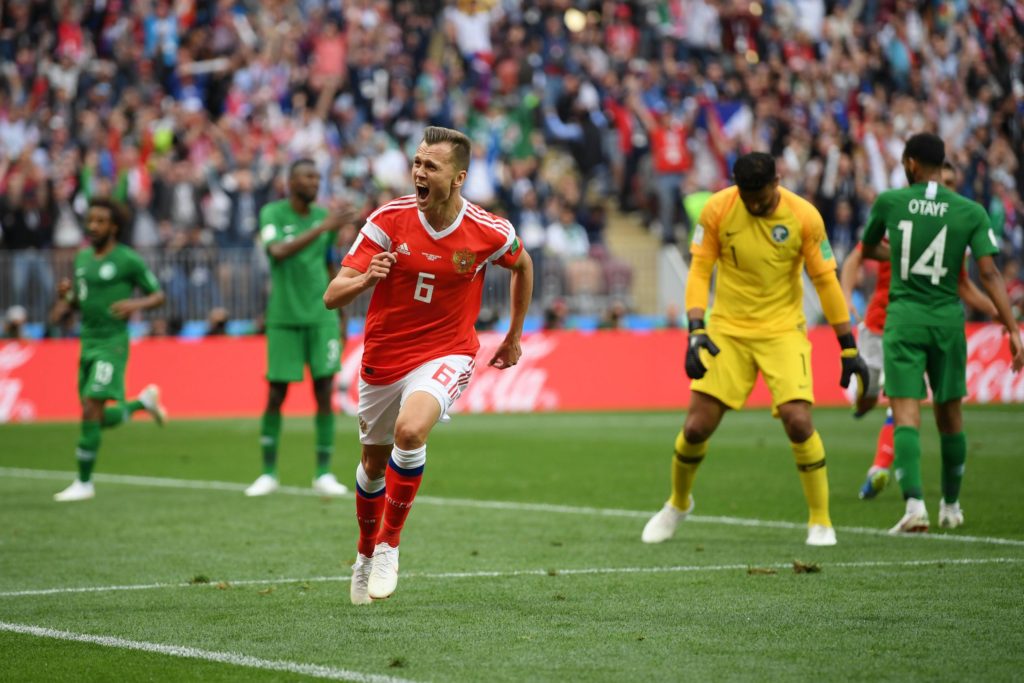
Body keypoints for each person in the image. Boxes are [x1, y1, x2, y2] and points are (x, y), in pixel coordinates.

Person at [323, 126, 534, 604]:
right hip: (384, 354)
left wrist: (514, 335)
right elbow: (332, 294)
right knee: (373, 466)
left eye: (430, 166)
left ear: (457, 178)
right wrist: (363, 281)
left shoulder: (489, 230)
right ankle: (363, 554)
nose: (418, 172)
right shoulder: (388, 220)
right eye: (416, 163)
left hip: (447, 350)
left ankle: (389, 545)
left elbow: (523, 265)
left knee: (411, 432)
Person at [641, 152, 870, 547]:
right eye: (749, 200)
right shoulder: (718, 209)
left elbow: (827, 282)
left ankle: (820, 520)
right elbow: (699, 270)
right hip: (728, 330)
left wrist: (848, 345)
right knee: (696, 427)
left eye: (762, 199)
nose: (756, 206)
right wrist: (696, 328)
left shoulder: (804, 216)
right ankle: (678, 504)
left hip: (783, 330)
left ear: (777, 182)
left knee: (798, 421)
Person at [860, 133, 1024, 533]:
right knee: (951, 415)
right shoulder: (970, 211)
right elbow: (988, 274)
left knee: (906, 415)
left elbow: (868, 249)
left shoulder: (890, 203)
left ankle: (915, 507)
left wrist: (901, 254)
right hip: (948, 323)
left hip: (904, 319)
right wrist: (1012, 327)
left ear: (911, 163)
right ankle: (951, 505)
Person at [841, 159, 998, 500]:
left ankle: (880, 468)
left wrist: (998, 310)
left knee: (902, 401)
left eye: (954, 184)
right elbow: (857, 255)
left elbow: (964, 286)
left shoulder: (955, 231)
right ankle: (866, 405)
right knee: (868, 399)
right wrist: (843, 298)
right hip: (877, 323)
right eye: (946, 182)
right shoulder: (900, 217)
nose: (949, 189)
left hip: (910, 327)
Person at [244, 159, 357, 497]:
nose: (314, 183)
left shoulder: (325, 218)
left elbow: (327, 264)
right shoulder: (272, 214)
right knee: (276, 394)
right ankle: (268, 472)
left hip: (321, 317)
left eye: (317, 177)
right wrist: (322, 229)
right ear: (290, 182)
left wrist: (342, 314)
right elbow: (277, 251)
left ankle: (322, 473)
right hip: (283, 318)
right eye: (308, 177)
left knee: (324, 394)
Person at [51, 198, 167, 502]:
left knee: (91, 406)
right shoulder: (82, 259)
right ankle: (143, 403)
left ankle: (84, 483)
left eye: (101, 221)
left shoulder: (128, 259)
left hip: (112, 343)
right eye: (90, 220)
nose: (93, 226)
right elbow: (79, 301)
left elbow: (157, 296)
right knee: (96, 418)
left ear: (114, 226)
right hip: (86, 341)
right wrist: (67, 299)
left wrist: (134, 304)